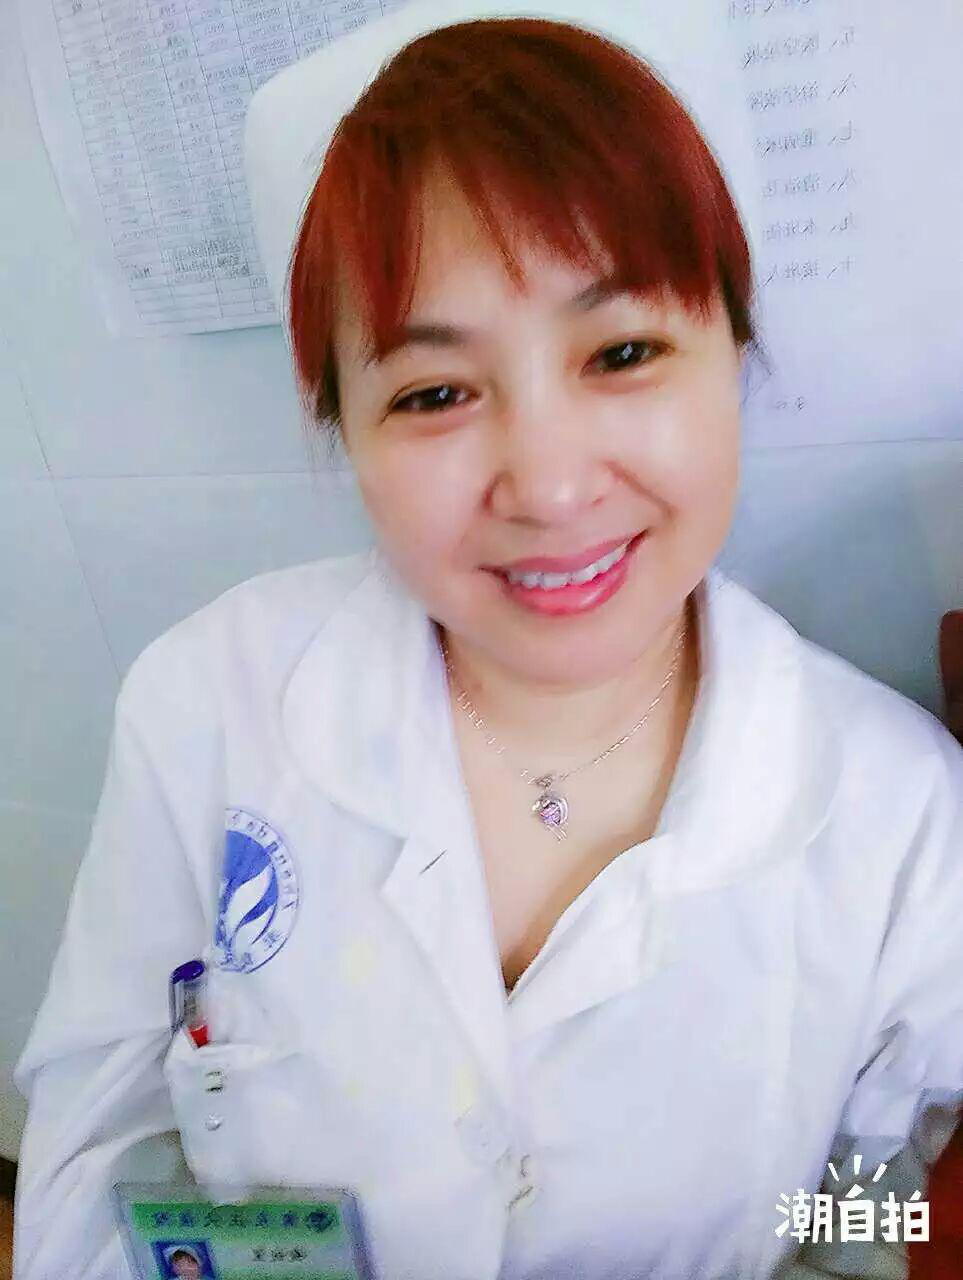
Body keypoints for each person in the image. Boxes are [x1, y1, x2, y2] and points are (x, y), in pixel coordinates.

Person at [12, 6, 963, 1280]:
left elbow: (884, 1201)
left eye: (623, 351)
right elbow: (93, 1163)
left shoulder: (904, 816)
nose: (551, 486)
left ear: (733, 355)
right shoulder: (206, 704)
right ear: (343, 425)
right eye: (436, 392)